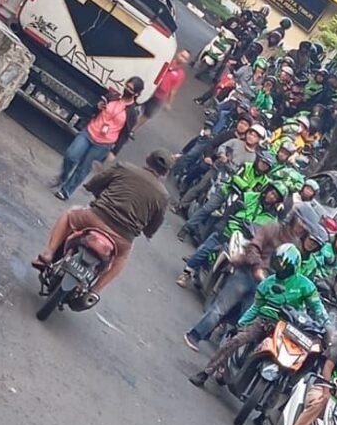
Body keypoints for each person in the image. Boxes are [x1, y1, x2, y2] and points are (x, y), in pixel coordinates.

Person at [189, 244, 327, 387]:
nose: (281, 267)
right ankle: (206, 372)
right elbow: (256, 307)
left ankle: (279, 393)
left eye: (284, 264)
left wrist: (327, 324)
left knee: (299, 360)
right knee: (236, 341)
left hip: (290, 329)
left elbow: (318, 308)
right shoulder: (268, 283)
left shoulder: (306, 285)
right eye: (278, 262)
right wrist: (241, 324)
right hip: (264, 322)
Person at [33, 149, 171, 292]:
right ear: (165, 173)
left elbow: (95, 183)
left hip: (95, 218)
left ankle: (48, 253)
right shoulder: (163, 195)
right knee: (121, 259)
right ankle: (95, 290)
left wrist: (95, 190)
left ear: (147, 158)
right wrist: (146, 231)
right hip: (122, 238)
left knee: (68, 215)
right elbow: (153, 225)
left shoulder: (124, 168)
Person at [176, 180, 287, 286]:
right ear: (267, 190)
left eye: (275, 197)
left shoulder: (273, 220)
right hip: (229, 232)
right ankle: (186, 273)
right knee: (206, 249)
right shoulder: (249, 196)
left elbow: (268, 238)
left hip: (246, 243)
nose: (272, 197)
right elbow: (230, 210)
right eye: (272, 193)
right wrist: (222, 224)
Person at [54, 77, 144, 200]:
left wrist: (114, 151)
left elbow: (125, 135)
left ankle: (66, 191)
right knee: (71, 155)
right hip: (89, 132)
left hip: (104, 144)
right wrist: (98, 107)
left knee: (84, 169)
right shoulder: (112, 97)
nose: (127, 89)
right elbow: (94, 109)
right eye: (126, 86)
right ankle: (64, 176)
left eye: (130, 89)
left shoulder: (132, 113)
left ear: (137, 94)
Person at [135, 50, 190, 129]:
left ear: (186, 62)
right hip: (149, 88)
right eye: (182, 55)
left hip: (159, 96)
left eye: (185, 58)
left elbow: (174, 90)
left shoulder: (180, 74)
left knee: (147, 114)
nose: (182, 58)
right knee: (135, 103)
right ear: (178, 53)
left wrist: (169, 103)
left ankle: (133, 129)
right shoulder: (166, 61)